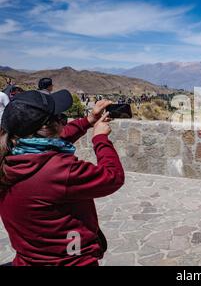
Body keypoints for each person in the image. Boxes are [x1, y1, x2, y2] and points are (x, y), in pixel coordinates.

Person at [0, 90, 124, 266]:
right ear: (48, 128)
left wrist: (88, 121)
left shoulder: (9, 156)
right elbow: (113, 177)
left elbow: (54, 139)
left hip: (28, 259)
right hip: (71, 261)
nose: (63, 121)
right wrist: (100, 138)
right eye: (60, 118)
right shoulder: (60, 170)